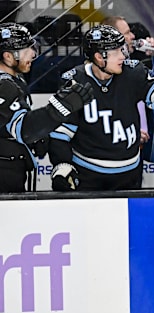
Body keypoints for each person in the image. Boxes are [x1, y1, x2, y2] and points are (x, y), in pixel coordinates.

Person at [48, 25, 154, 191]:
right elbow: (60, 133)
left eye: (122, 50)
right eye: (116, 52)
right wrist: (62, 164)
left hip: (129, 174)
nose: (122, 56)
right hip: (89, 175)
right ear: (98, 57)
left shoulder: (132, 72)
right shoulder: (75, 81)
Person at [0, 23, 92, 192]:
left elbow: (13, 128)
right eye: (26, 49)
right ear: (8, 56)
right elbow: (24, 130)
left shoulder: (15, 81)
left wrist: (39, 138)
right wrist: (61, 106)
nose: (33, 54)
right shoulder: (4, 85)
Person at [102, 16, 154, 165]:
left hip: (137, 153)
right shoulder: (98, 75)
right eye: (127, 33)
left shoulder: (134, 70)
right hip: (108, 157)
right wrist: (130, 134)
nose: (133, 36)